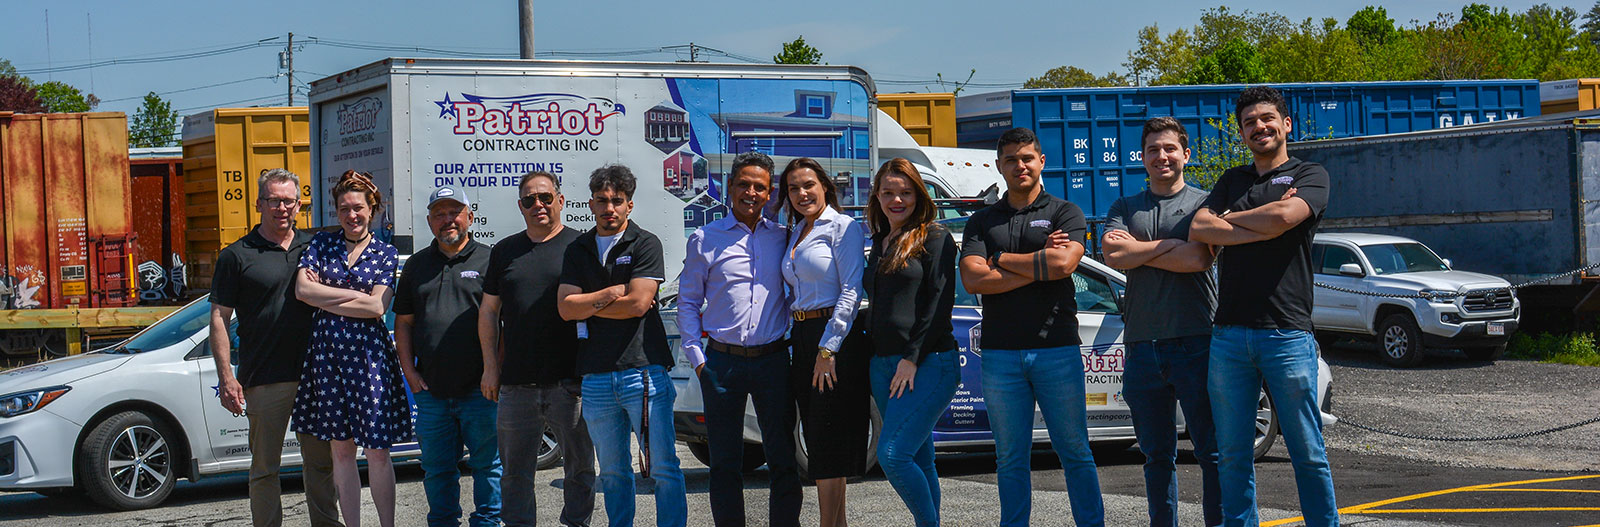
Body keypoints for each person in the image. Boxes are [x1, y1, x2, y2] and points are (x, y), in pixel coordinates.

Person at [1189, 86, 1338, 527]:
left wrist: (1230, 222)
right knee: (1233, 454)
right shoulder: (1231, 180)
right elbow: (1200, 227)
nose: (1260, 127)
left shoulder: (1311, 174)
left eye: (1267, 118)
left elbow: (1284, 219)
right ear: (1241, 132)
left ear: (1286, 123)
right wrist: (1262, 222)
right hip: (1229, 335)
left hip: (1287, 333)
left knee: (1307, 451)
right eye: (1250, 122)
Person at [959, 127, 1104, 527]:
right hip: (1001, 354)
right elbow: (973, 279)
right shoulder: (982, 221)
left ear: (1041, 161)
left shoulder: (1065, 212)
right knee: (1010, 456)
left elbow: (1063, 265)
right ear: (999, 165)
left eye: (1027, 158)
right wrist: (1039, 265)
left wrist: (1001, 257)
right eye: (1011, 159)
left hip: (1057, 349)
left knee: (1075, 450)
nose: (1019, 165)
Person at [1102, 117, 1221, 527]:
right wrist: (1170, 245)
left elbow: (1198, 258)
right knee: (1156, 457)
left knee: (1212, 453)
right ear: (1143, 157)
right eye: (1153, 149)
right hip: (1141, 347)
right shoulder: (1124, 206)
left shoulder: (1205, 204)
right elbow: (1113, 256)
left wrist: (1140, 249)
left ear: (1185, 154)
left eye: (1169, 148)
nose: (1161, 156)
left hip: (1197, 341)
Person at [209, 168, 342, 527]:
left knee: (320, 465)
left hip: (316, 376)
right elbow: (219, 318)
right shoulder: (236, 255)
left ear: (299, 205)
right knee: (265, 469)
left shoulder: (315, 247)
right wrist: (227, 377)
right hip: (264, 377)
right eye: (273, 200)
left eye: (288, 201)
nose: (280, 207)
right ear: (259, 204)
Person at [557, 165, 687, 527]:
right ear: (591, 204)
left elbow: (639, 304)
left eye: (617, 201)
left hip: (643, 373)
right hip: (596, 378)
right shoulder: (578, 248)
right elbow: (566, 308)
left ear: (630, 205)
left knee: (663, 468)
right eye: (602, 201)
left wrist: (590, 304)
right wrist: (612, 293)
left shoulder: (645, 243)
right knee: (612, 473)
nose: (609, 208)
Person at [677, 152, 801, 527]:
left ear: (770, 194)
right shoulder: (704, 239)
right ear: (730, 187)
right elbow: (687, 302)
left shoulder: (783, 238)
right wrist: (698, 359)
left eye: (759, 187)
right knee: (725, 462)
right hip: (721, 364)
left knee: (782, 457)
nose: (751, 192)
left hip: (773, 361)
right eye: (743, 184)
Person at [479, 171, 597, 527]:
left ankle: (576, 524)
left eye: (545, 197)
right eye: (529, 200)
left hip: (571, 381)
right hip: (516, 384)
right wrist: (490, 367)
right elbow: (488, 310)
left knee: (580, 468)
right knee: (514, 474)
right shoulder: (504, 251)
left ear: (560, 201)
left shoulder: (582, 246)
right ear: (520, 206)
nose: (538, 205)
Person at [292, 170, 408, 527]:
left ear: (371, 209)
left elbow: (377, 308)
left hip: (370, 360)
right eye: (344, 208)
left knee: (377, 452)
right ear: (336, 211)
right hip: (328, 359)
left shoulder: (385, 253)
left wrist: (324, 297)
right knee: (341, 451)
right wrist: (357, 295)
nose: (351, 215)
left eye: (358, 207)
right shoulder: (321, 245)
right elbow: (302, 292)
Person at [861, 159, 961, 527]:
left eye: (905, 192)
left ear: (919, 195)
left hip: (928, 363)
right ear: (877, 196)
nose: (897, 200)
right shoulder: (879, 241)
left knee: (892, 455)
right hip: (884, 364)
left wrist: (912, 358)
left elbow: (938, 303)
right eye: (888, 192)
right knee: (920, 458)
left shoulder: (935, 237)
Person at [394, 186, 501, 527]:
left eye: (454, 212)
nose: (447, 220)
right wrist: (410, 374)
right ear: (429, 221)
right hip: (432, 393)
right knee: (437, 470)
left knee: (488, 467)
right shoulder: (416, 265)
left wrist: (494, 370)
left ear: (469, 216)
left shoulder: (490, 259)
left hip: (480, 390)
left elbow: (506, 322)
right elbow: (404, 324)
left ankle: (487, 523)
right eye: (439, 214)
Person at [777, 157, 868, 527]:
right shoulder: (797, 230)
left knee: (828, 441)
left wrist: (828, 348)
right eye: (793, 188)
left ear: (825, 186)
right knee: (817, 438)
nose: (802, 193)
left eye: (808, 185)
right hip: (801, 337)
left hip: (832, 338)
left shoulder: (843, 226)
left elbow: (850, 290)